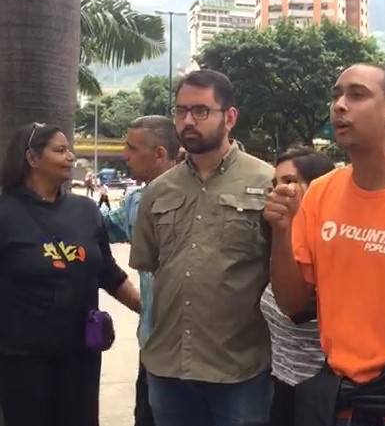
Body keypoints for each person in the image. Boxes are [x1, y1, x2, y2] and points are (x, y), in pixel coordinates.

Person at [264, 63, 385, 426]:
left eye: (356, 95)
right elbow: (293, 303)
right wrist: (281, 231)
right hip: (333, 398)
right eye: (336, 95)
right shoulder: (321, 193)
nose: (340, 105)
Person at [129, 70, 274, 426]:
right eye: (180, 111)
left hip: (239, 370)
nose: (188, 121)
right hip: (168, 368)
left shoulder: (267, 181)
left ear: (230, 117)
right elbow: (148, 265)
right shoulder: (158, 192)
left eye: (200, 111)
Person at [0, 123, 141, 426]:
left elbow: (108, 273)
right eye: (60, 150)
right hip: (21, 360)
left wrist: (151, 310)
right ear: (32, 158)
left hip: (81, 356)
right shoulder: (4, 212)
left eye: (69, 150)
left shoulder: (85, 210)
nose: (70, 156)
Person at [102, 116, 180, 426]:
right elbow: (95, 228)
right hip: (151, 350)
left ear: (160, 154)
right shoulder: (136, 201)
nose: (124, 155)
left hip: (202, 357)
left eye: (132, 149)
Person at [260, 147, 334, 426]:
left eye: (290, 181)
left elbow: (298, 309)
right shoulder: (277, 238)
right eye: (275, 183)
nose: (279, 190)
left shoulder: (330, 242)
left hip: (321, 398)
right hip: (280, 389)